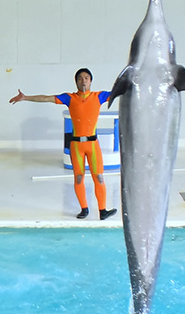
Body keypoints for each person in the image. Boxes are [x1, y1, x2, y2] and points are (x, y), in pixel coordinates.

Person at [10, 68, 118, 220]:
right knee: (79, 177)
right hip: (76, 145)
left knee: (99, 177)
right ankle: (84, 209)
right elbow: (46, 98)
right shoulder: (70, 98)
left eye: (86, 78)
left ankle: (102, 210)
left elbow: (119, 91)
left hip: (93, 145)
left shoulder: (99, 96)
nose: (84, 81)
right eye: (80, 78)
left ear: (91, 81)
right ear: (76, 82)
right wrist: (26, 97)